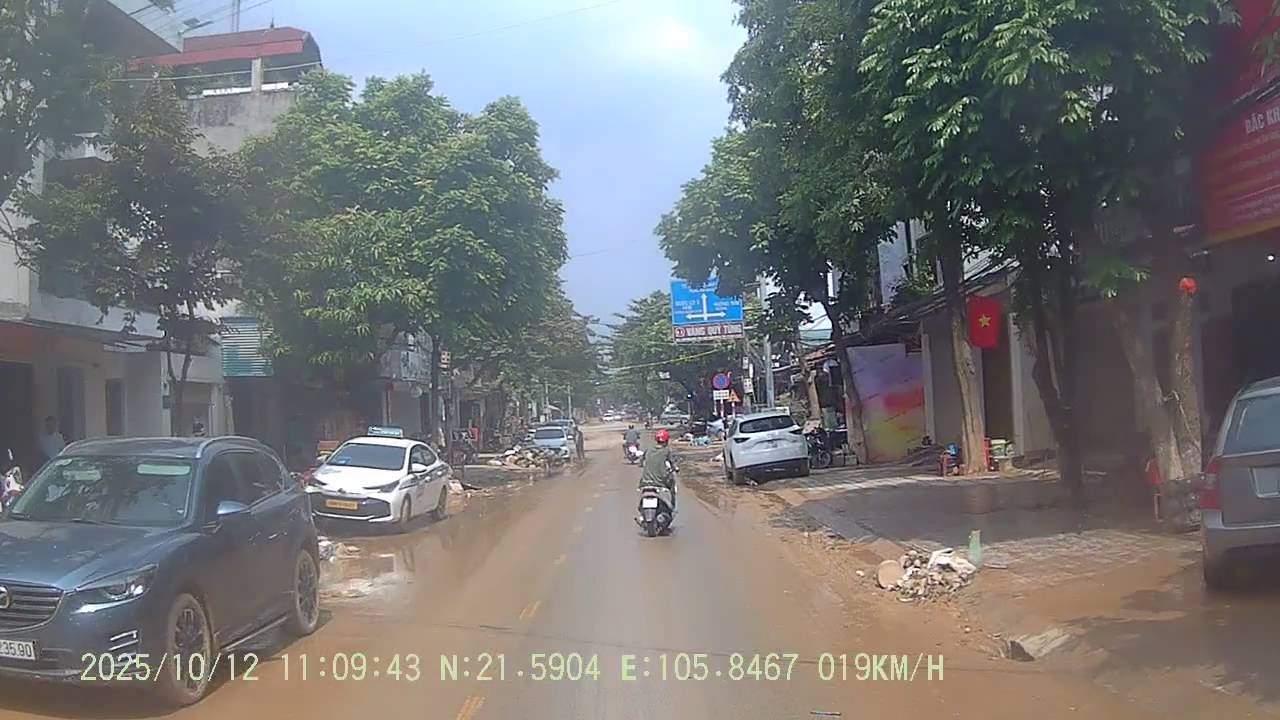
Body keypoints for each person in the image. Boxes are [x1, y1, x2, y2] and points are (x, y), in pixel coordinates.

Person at [638, 428, 677, 510]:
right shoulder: (667, 450)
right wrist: (675, 468)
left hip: (645, 482)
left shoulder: (649, 449)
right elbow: (672, 463)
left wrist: (642, 464)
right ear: (666, 440)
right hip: (660, 482)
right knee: (672, 484)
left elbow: (641, 460)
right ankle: (672, 507)